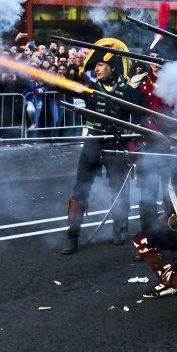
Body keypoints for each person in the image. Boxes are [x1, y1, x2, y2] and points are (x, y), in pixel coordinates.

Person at [62, 46, 141, 254]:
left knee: (119, 189)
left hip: (116, 145)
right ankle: (72, 234)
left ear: (113, 68)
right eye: (95, 65)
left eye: (100, 64)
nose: (96, 69)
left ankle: (120, 229)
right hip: (93, 143)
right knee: (80, 189)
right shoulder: (89, 88)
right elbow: (66, 87)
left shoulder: (128, 91)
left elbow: (139, 115)